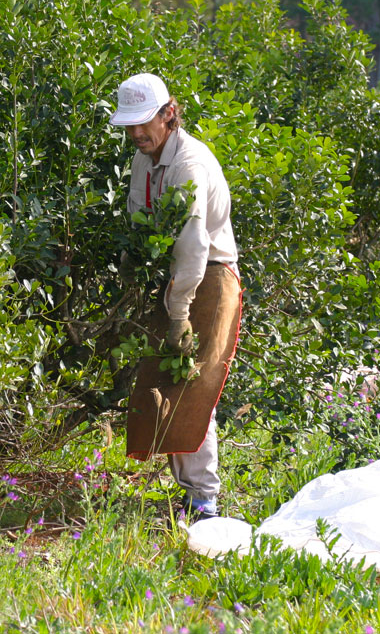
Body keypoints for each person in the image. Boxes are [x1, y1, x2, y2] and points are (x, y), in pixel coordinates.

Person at [110, 72, 241, 520]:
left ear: (170, 113)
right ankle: (190, 492)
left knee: (192, 385)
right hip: (173, 278)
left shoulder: (189, 166)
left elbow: (193, 245)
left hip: (207, 276)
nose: (135, 134)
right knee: (164, 381)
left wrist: (178, 314)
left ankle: (203, 500)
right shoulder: (145, 157)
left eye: (143, 123)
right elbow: (138, 219)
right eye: (129, 125)